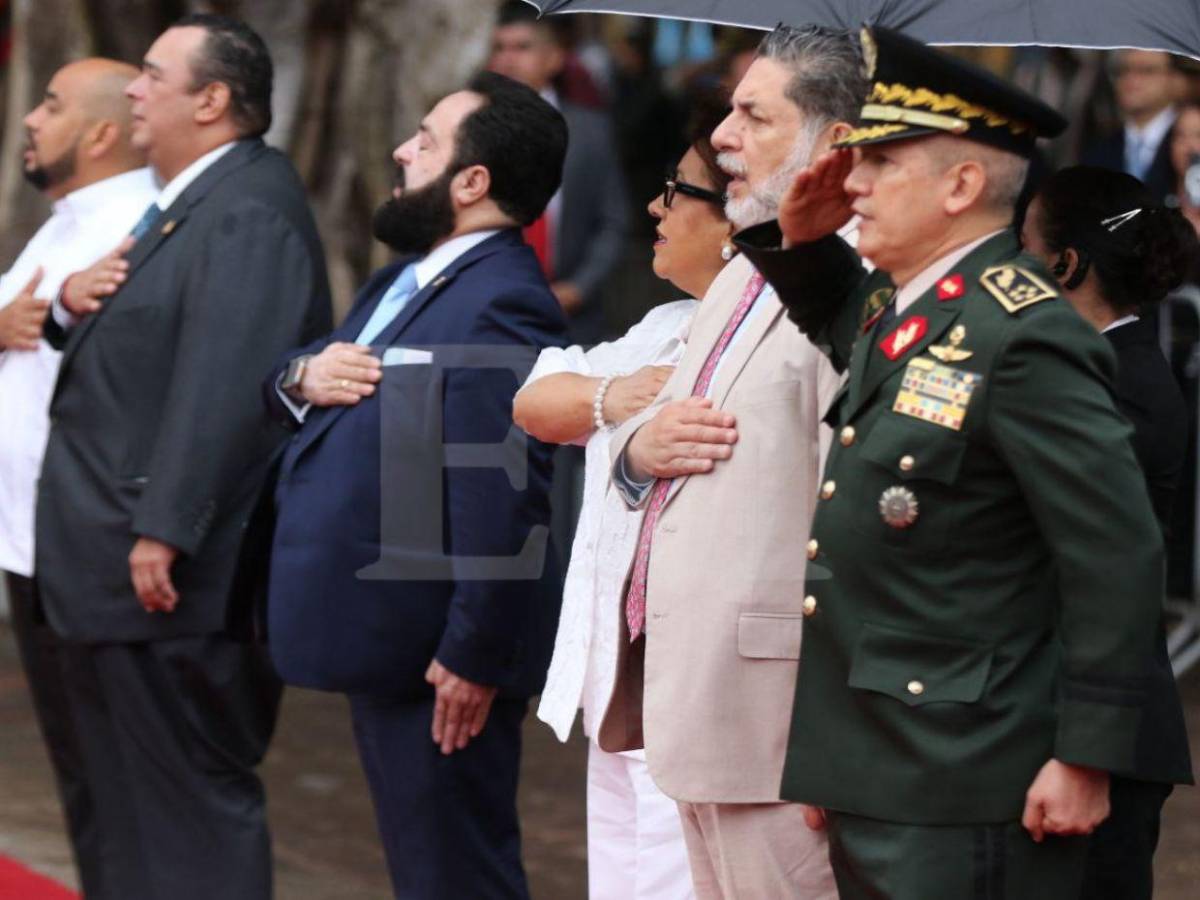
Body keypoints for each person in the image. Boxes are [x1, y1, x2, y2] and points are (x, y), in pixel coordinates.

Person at [737, 26, 1169, 898]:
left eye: (883, 161)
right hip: (881, 758)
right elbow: (851, 328)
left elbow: (1113, 552)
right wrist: (804, 238)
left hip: (967, 773)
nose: (851, 179)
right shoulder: (918, 305)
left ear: (961, 184)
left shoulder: (1023, 330)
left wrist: (1088, 755)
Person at [36, 15, 332, 899]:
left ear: (211, 100)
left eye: (154, 76)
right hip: (114, 576)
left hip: (172, 585)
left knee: (189, 816)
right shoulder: (189, 201)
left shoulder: (247, 206)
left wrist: (166, 526)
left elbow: (226, 381)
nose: (133, 88)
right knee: (130, 813)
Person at [264, 71, 567, 899]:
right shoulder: (409, 277)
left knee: (455, 874)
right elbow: (320, 379)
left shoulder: (502, 300)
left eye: (427, 139)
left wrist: (474, 651)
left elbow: (502, 492)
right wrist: (300, 376)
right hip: (388, 642)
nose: (403, 150)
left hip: (436, 658)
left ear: (473, 182)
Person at [601, 25, 861, 899]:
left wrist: (844, 736)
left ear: (834, 142)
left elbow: (864, 516)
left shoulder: (864, 280)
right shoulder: (747, 263)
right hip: (700, 700)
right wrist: (636, 449)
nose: (720, 138)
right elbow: (673, 432)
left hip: (782, 726)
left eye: (754, 115)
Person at [513, 104, 733, 900]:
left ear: (739, 217)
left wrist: (618, 428)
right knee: (624, 873)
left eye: (679, 191)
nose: (655, 207)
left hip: (703, 685)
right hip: (622, 676)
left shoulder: (786, 333)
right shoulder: (668, 322)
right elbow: (537, 398)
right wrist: (614, 399)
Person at [0, 57, 156, 898]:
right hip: (28, 536)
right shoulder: (63, 221)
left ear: (100, 132)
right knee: (80, 777)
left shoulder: (134, 224)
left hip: (87, 539)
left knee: (118, 777)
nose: (30, 117)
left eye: (52, 104)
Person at [1020, 165, 1196, 900]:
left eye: (1022, 247)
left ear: (1065, 265)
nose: (1008, 267)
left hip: (1102, 739)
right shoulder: (1088, 368)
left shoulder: (1127, 385)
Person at [488, 0, 629, 344]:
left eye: (522, 48)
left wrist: (578, 288)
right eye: (499, 48)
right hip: (491, 311)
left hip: (572, 319)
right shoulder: (472, 126)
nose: (507, 59)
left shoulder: (590, 129)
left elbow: (614, 221)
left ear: (553, 58)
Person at [1083, 49, 1179, 200]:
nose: (1131, 80)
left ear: (1173, 77)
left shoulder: (1190, 141)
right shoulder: (1098, 151)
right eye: (1122, 71)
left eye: (1147, 71)